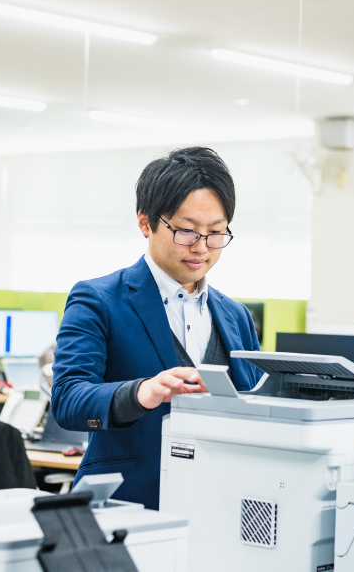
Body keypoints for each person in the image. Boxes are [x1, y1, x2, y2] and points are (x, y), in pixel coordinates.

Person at [51, 147, 263, 508]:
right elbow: (68, 400)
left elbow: (255, 408)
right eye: (186, 231)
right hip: (127, 503)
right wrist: (140, 393)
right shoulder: (99, 299)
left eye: (216, 232)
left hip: (220, 506)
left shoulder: (236, 316)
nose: (202, 248)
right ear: (145, 222)